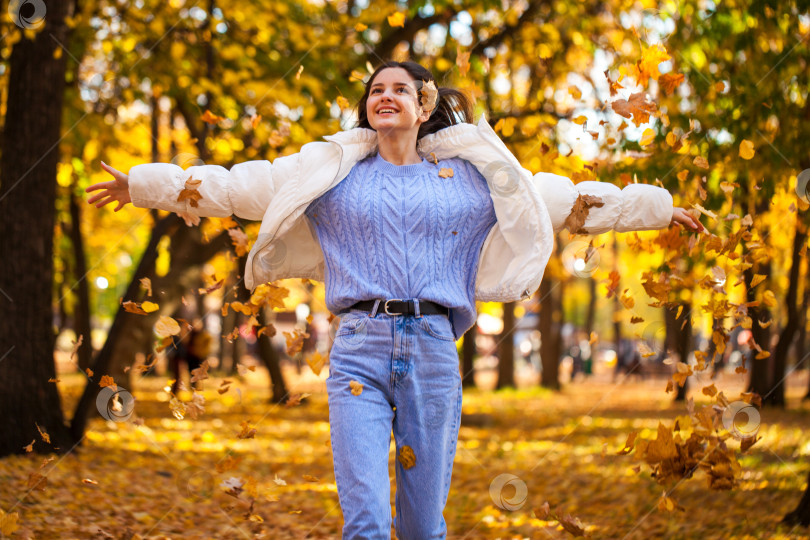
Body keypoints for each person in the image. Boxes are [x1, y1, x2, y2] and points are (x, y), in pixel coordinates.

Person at [86, 60, 703, 538]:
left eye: (399, 89)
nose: (384, 95)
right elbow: (232, 188)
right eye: (375, 90)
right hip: (358, 353)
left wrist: (657, 209)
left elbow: (569, 203)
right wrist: (143, 184)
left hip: (435, 355)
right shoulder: (330, 175)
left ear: (424, 104)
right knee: (366, 526)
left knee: (422, 528)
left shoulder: (474, 179)